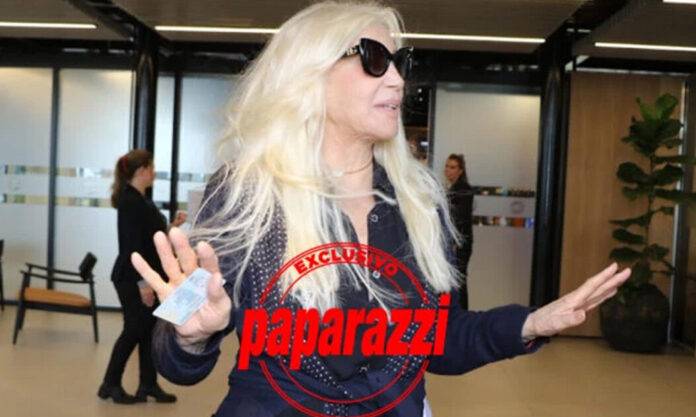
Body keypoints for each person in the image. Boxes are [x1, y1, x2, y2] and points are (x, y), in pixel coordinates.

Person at [130, 2, 631, 417]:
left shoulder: (420, 204)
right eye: (373, 59)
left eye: (399, 62)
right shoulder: (245, 193)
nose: (396, 80)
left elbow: (439, 339)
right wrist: (190, 334)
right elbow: (174, 355)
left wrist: (530, 324)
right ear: (309, 74)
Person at [98, 149, 186, 404]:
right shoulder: (130, 201)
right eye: (152, 168)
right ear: (142, 171)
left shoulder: (140, 199)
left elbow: (149, 238)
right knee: (133, 330)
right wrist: (143, 283)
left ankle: (148, 384)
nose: (154, 173)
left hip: (145, 276)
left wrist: (172, 227)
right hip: (132, 277)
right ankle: (110, 383)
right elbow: (132, 245)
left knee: (148, 330)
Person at [444, 153, 474, 310]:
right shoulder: (454, 189)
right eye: (447, 166)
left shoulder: (463, 190)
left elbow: (460, 218)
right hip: (455, 241)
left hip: (459, 243)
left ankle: (460, 314)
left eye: (452, 167)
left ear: (460, 171)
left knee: (458, 281)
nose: (448, 170)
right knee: (455, 280)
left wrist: (455, 242)